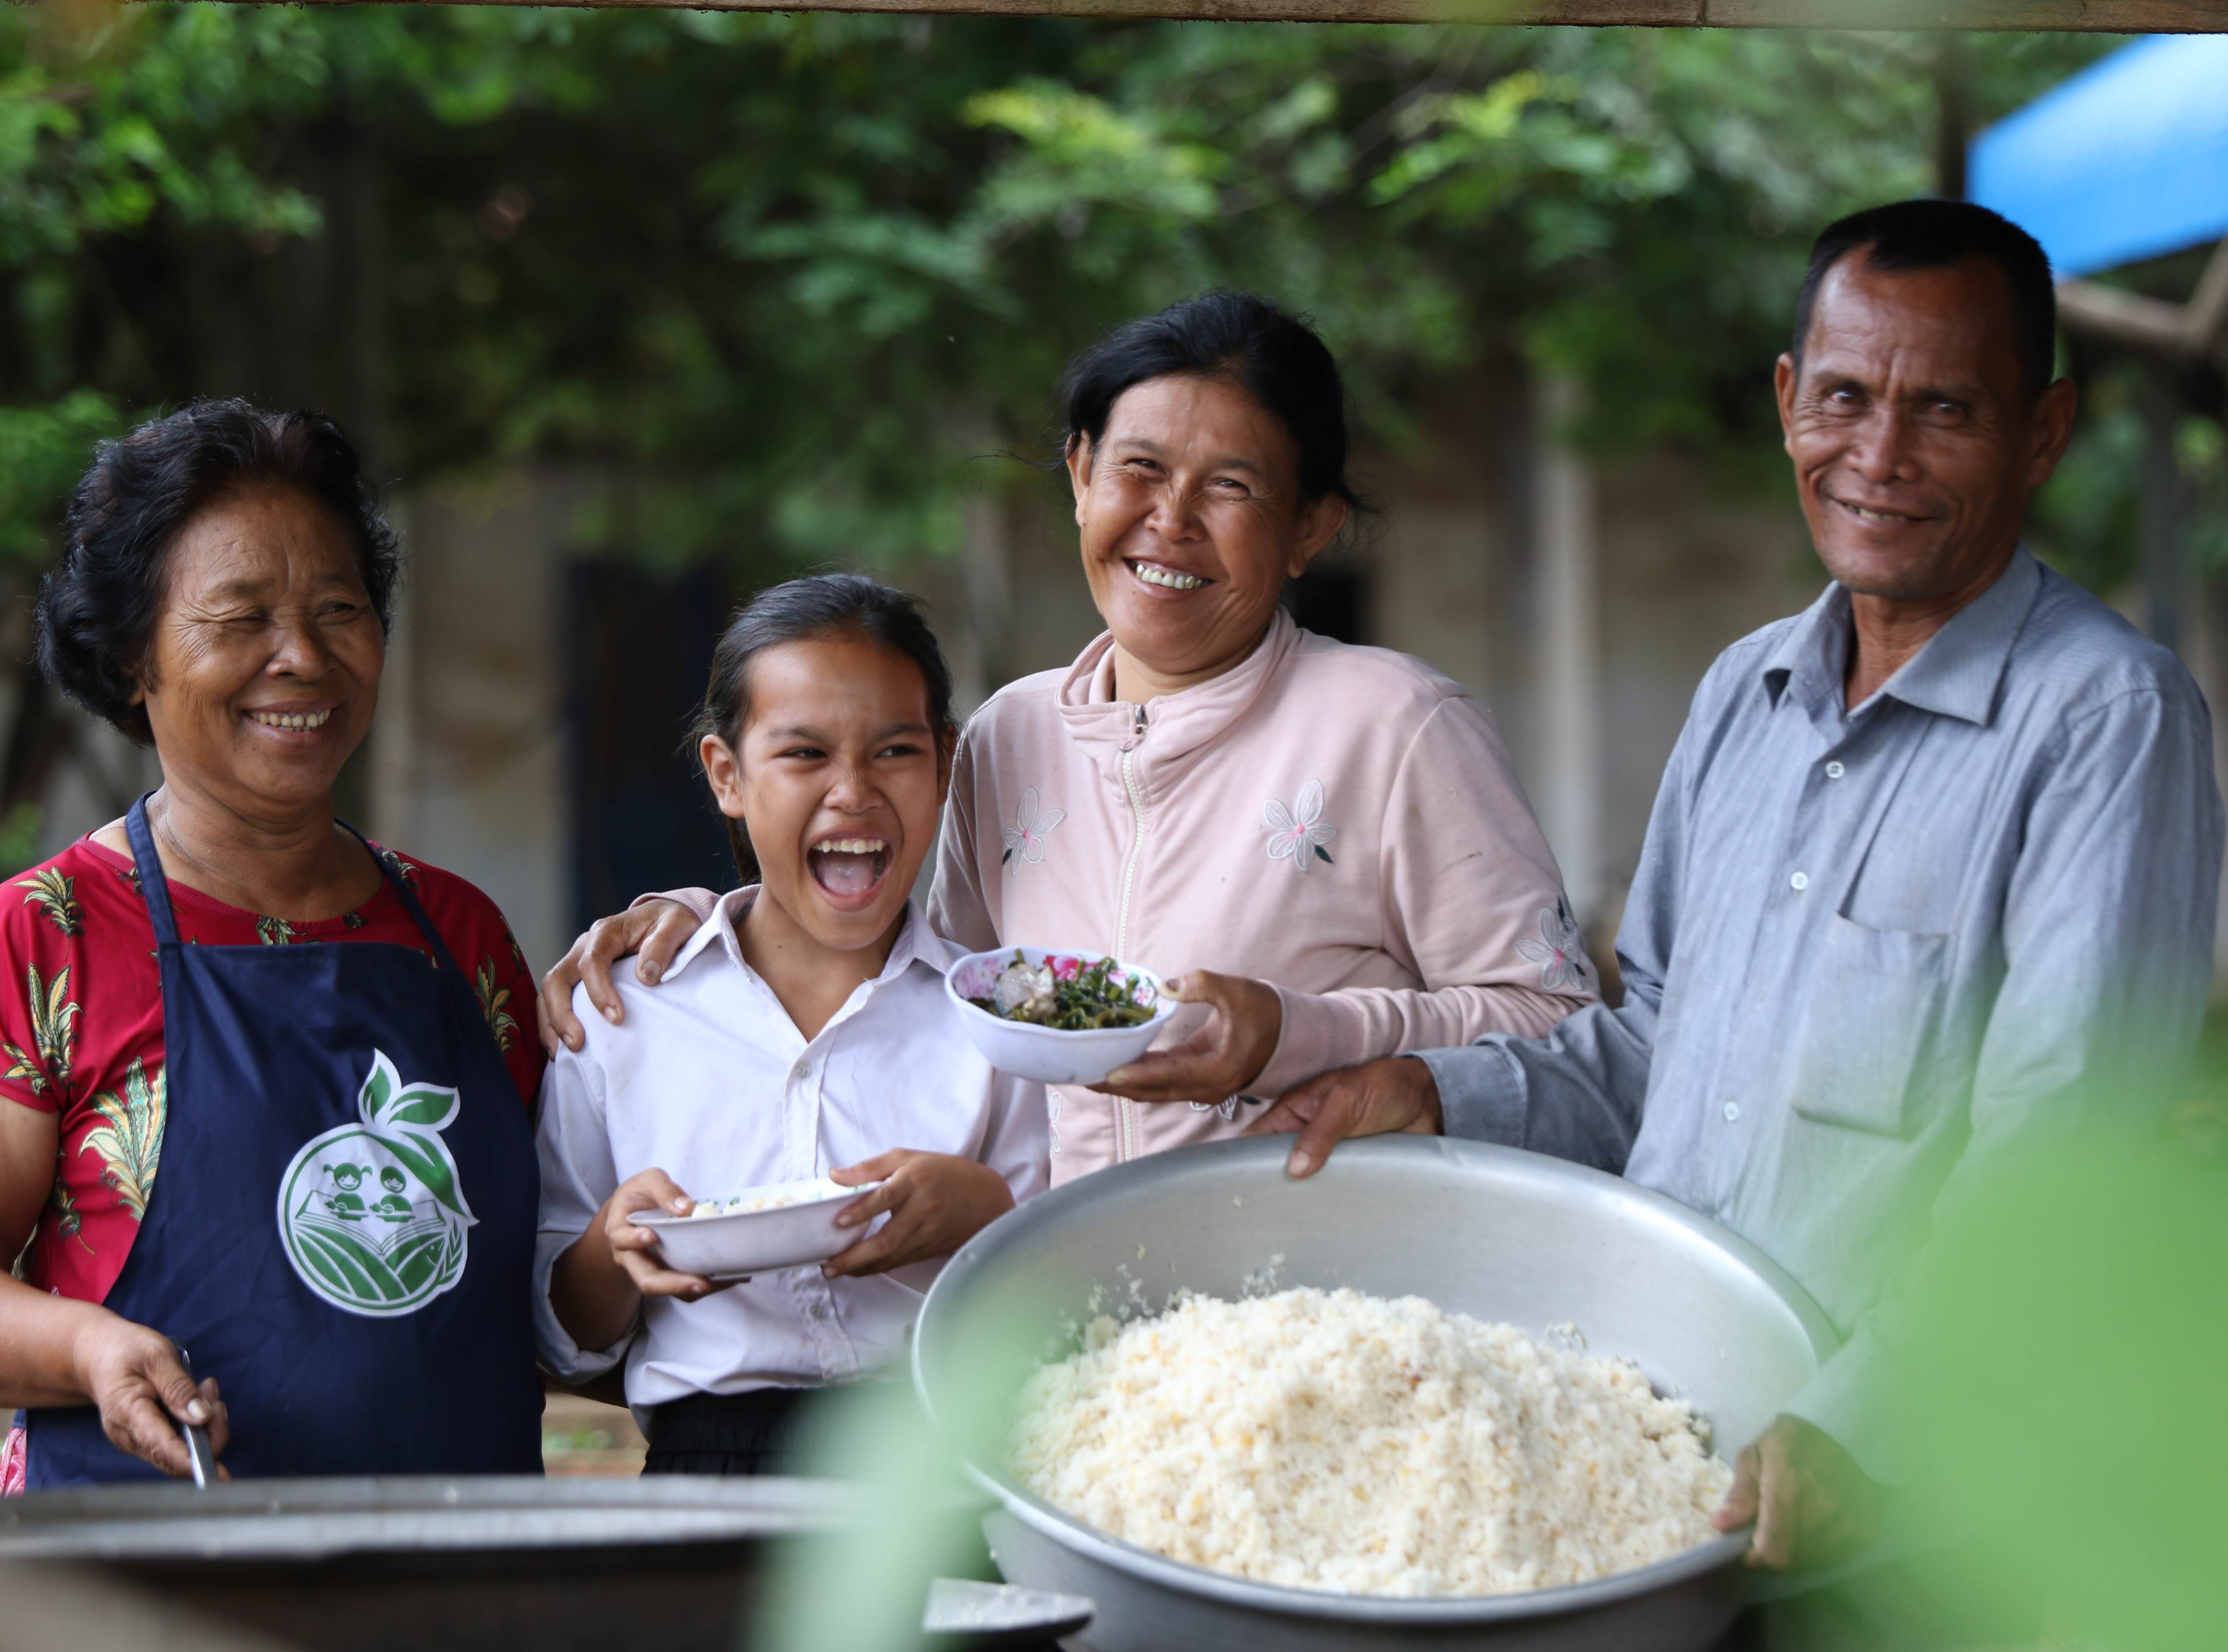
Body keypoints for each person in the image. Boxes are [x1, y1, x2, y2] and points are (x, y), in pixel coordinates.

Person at [1246, 200, 2225, 1570]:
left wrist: (1861, 1428)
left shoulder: (2106, 719)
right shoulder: (1745, 693)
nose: (1878, 456)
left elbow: (2064, 1156)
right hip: (1653, 1462)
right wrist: (1430, 1090)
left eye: (1945, 409)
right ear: (1786, 402)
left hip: (1902, 1527)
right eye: (1843, 396)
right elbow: (1649, 1046)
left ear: (2044, 433)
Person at [544, 293, 1596, 1181]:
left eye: (1231, 487)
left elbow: (1565, 1032)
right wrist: (705, 927)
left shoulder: (1397, 724)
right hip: (1063, 1329)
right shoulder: (1010, 735)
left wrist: (1300, 1030)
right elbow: (927, 981)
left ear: (1311, 526)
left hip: (1315, 1324)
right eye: (1138, 468)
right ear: (1081, 471)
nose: (1170, 521)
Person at [0, 401, 549, 1488]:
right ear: (135, 660)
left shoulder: (457, 934)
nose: (303, 658)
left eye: (339, 609)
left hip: (455, 1579)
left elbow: (559, 1271)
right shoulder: (48, 937)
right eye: (240, 619)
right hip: (140, 1586)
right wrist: (82, 1345)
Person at [536, 575, 1047, 1474]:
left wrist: (989, 1216)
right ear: (727, 776)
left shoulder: (1003, 1021)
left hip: (939, 1476)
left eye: (895, 751)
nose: (852, 792)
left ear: (944, 762)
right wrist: (616, 1245)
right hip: (707, 1474)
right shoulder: (624, 1015)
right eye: (804, 754)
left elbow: (1068, 1307)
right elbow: (562, 1337)